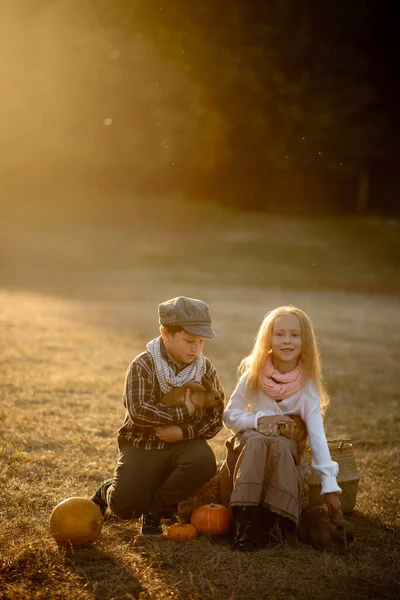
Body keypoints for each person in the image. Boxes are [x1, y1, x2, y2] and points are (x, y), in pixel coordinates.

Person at [91, 296, 225, 535]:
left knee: (203, 461)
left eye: (201, 341)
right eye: (189, 341)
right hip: (143, 443)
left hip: (183, 443)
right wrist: (184, 411)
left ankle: (154, 510)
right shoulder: (143, 364)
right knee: (125, 508)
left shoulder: (205, 369)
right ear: (165, 333)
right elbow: (140, 411)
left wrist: (183, 431)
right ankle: (108, 490)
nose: (196, 348)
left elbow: (216, 418)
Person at [223, 305, 342, 551]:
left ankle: (278, 521)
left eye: (294, 335)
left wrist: (330, 486)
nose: (287, 341)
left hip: (283, 454)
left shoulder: (306, 386)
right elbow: (230, 416)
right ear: (269, 338)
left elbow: (318, 438)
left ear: (304, 341)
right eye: (279, 334)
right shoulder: (253, 375)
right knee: (257, 441)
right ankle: (246, 522)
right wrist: (258, 420)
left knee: (278, 445)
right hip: (251, 447)